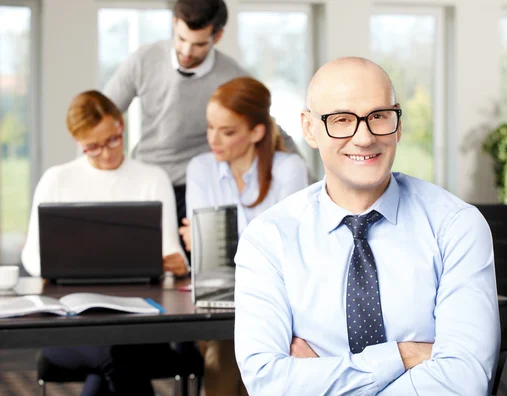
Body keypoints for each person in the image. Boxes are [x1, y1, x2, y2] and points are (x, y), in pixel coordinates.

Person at [234, 57, 501, 395]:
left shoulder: (456, 227)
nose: (364, 137)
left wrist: (320, 378)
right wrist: (403, 356)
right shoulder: (268, 238)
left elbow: (465, 380)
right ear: (309, 128)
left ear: (398, 123)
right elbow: (267, 381)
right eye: (341, 120)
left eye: (378, 116)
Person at [21, 90, 189, 395]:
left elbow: (170, 251)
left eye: (113, 139)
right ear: (77, 142)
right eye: (93, 147)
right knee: (119, 354)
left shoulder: (152, 178)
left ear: (121, 125)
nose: (107, 153)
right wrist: (49, 265)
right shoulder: (56, 180)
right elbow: (32, 257)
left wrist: (177, 262)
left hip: (141, 317)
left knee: (117, 354)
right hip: (72, 320)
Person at [103, 0, 297, 252]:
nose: (186, 51)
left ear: (218, 36)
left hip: (191, 186)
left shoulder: (232, 77)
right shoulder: (144, 59)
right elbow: (101, 116)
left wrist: (317, 188)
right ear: (174, 24)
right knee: (129, 257)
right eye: (181, 38)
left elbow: (267, 126)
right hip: (146, 181)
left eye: (199, 44)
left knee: (193, 262)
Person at [179, 76, 309, 396]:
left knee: (259, 348)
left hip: (281, 299)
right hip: (220, 297)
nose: (214, 139)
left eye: (227, 131)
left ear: (256, 132)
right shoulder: (200, 168)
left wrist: (220, 239)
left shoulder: (289, 168)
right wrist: (252, 240)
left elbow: (287, 249)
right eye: (210, 128)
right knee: (224, 349)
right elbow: (204, 253)